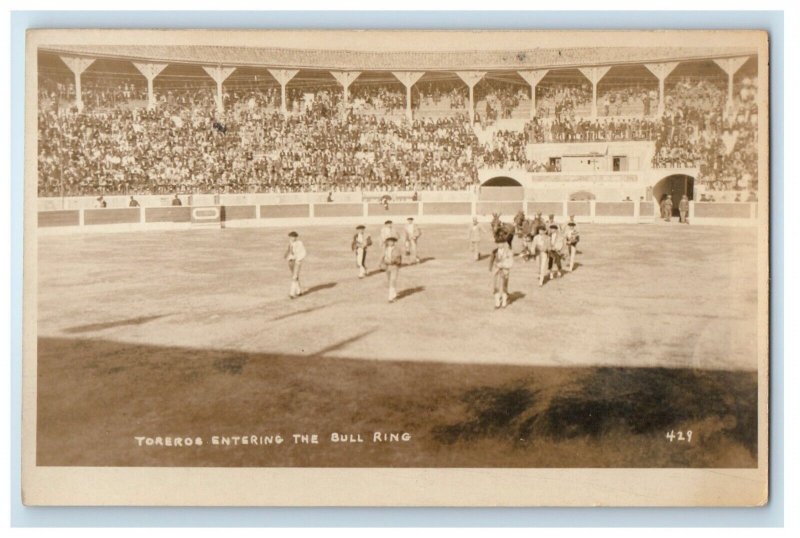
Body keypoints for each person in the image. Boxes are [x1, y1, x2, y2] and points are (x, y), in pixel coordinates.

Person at [489, 231, 514, 309]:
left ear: (504, 243)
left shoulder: (508, 251)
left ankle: (504, 301)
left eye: (502, 243)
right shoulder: (494, 251)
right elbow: (492, 260)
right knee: (495, 286)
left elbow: (511, 262)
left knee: (504, 286)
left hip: (505, 270)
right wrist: (491, 267)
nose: (500, 245)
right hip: (496, 271)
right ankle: (497, 302)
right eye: (498, 243)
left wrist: (503, 265)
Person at [380, 235, 402, 303]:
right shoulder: (385, 249)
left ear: (394, 242)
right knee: (390, 281)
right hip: (387, 266)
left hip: (394, 266)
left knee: (392, 281)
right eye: (389, 241)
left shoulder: (397, 249)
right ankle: (394, 295)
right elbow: (382, 257)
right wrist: (381, 263)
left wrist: (393, 261)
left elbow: (399, 259)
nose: (390, 243)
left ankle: (390, 297)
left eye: (392, 241)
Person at [284, 231, 306, 299]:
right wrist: (286, 255)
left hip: (297, 261)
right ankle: (299, 291)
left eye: (293, 237)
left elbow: (303, 252)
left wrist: (298, 259)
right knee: (295, 276)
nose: (292, 238)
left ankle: (292, 293)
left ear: (296, 237)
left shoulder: (299, 243)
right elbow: (289, 250)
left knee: (294, 277)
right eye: (290, 237)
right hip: (291, 261)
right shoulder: (290, 243)